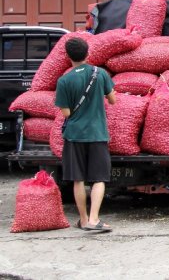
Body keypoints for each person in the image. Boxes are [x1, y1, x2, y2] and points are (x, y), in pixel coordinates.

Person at [55, 37, 117, 232]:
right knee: (99, 178)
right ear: (88, 53)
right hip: (97, 133)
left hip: (74, 135)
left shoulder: (64, 80)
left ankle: (83, 220)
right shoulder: (100, 74)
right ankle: (94, 219)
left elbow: (65, 113)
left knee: (78, 179)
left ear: (67, 57)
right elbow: (113, 99)